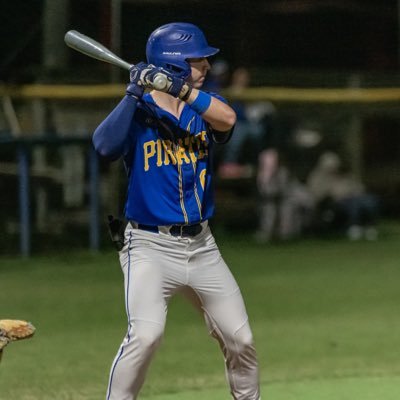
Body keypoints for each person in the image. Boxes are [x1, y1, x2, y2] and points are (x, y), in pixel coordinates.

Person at [93, 22, 260, 400]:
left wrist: (179, 89)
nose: (206, 66)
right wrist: (133, 92)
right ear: (175, 63)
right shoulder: (138, 112)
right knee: (147, 335)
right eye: (197, 59)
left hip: (202, 247)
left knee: (241, 340)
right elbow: (103, 147)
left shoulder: (202, 107)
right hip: (149, 246)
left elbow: (228, 119)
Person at [307, 151, 380, 240]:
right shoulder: (316, 177)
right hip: (334, 203)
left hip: (354, 198)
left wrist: (354, 192)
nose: (332, 169)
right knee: (354, 205)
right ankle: (354, 226)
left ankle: (370, 226)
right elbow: (317, 195)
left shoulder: (345, 175)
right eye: (329, 167)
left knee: (370, 200)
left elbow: (359, 188)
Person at [218, 67, 275, 179]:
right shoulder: (228, 91)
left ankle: (259, 163)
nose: (242, 80)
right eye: (239, 77)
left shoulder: (250, 91)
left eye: (244, 78)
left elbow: (254, 112)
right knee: (237, 134)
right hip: (233, 124)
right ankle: (229, 164)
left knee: (258, 130)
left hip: (248, 123)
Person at [255, 148, 314, 242]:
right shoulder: (264, 173)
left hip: (287, 199)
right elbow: (265, 191)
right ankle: (267, 234)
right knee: (269, 213)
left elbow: (284, 190)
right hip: (271, 201)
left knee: (287, 214)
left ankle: (286, 235)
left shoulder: (283, 171)